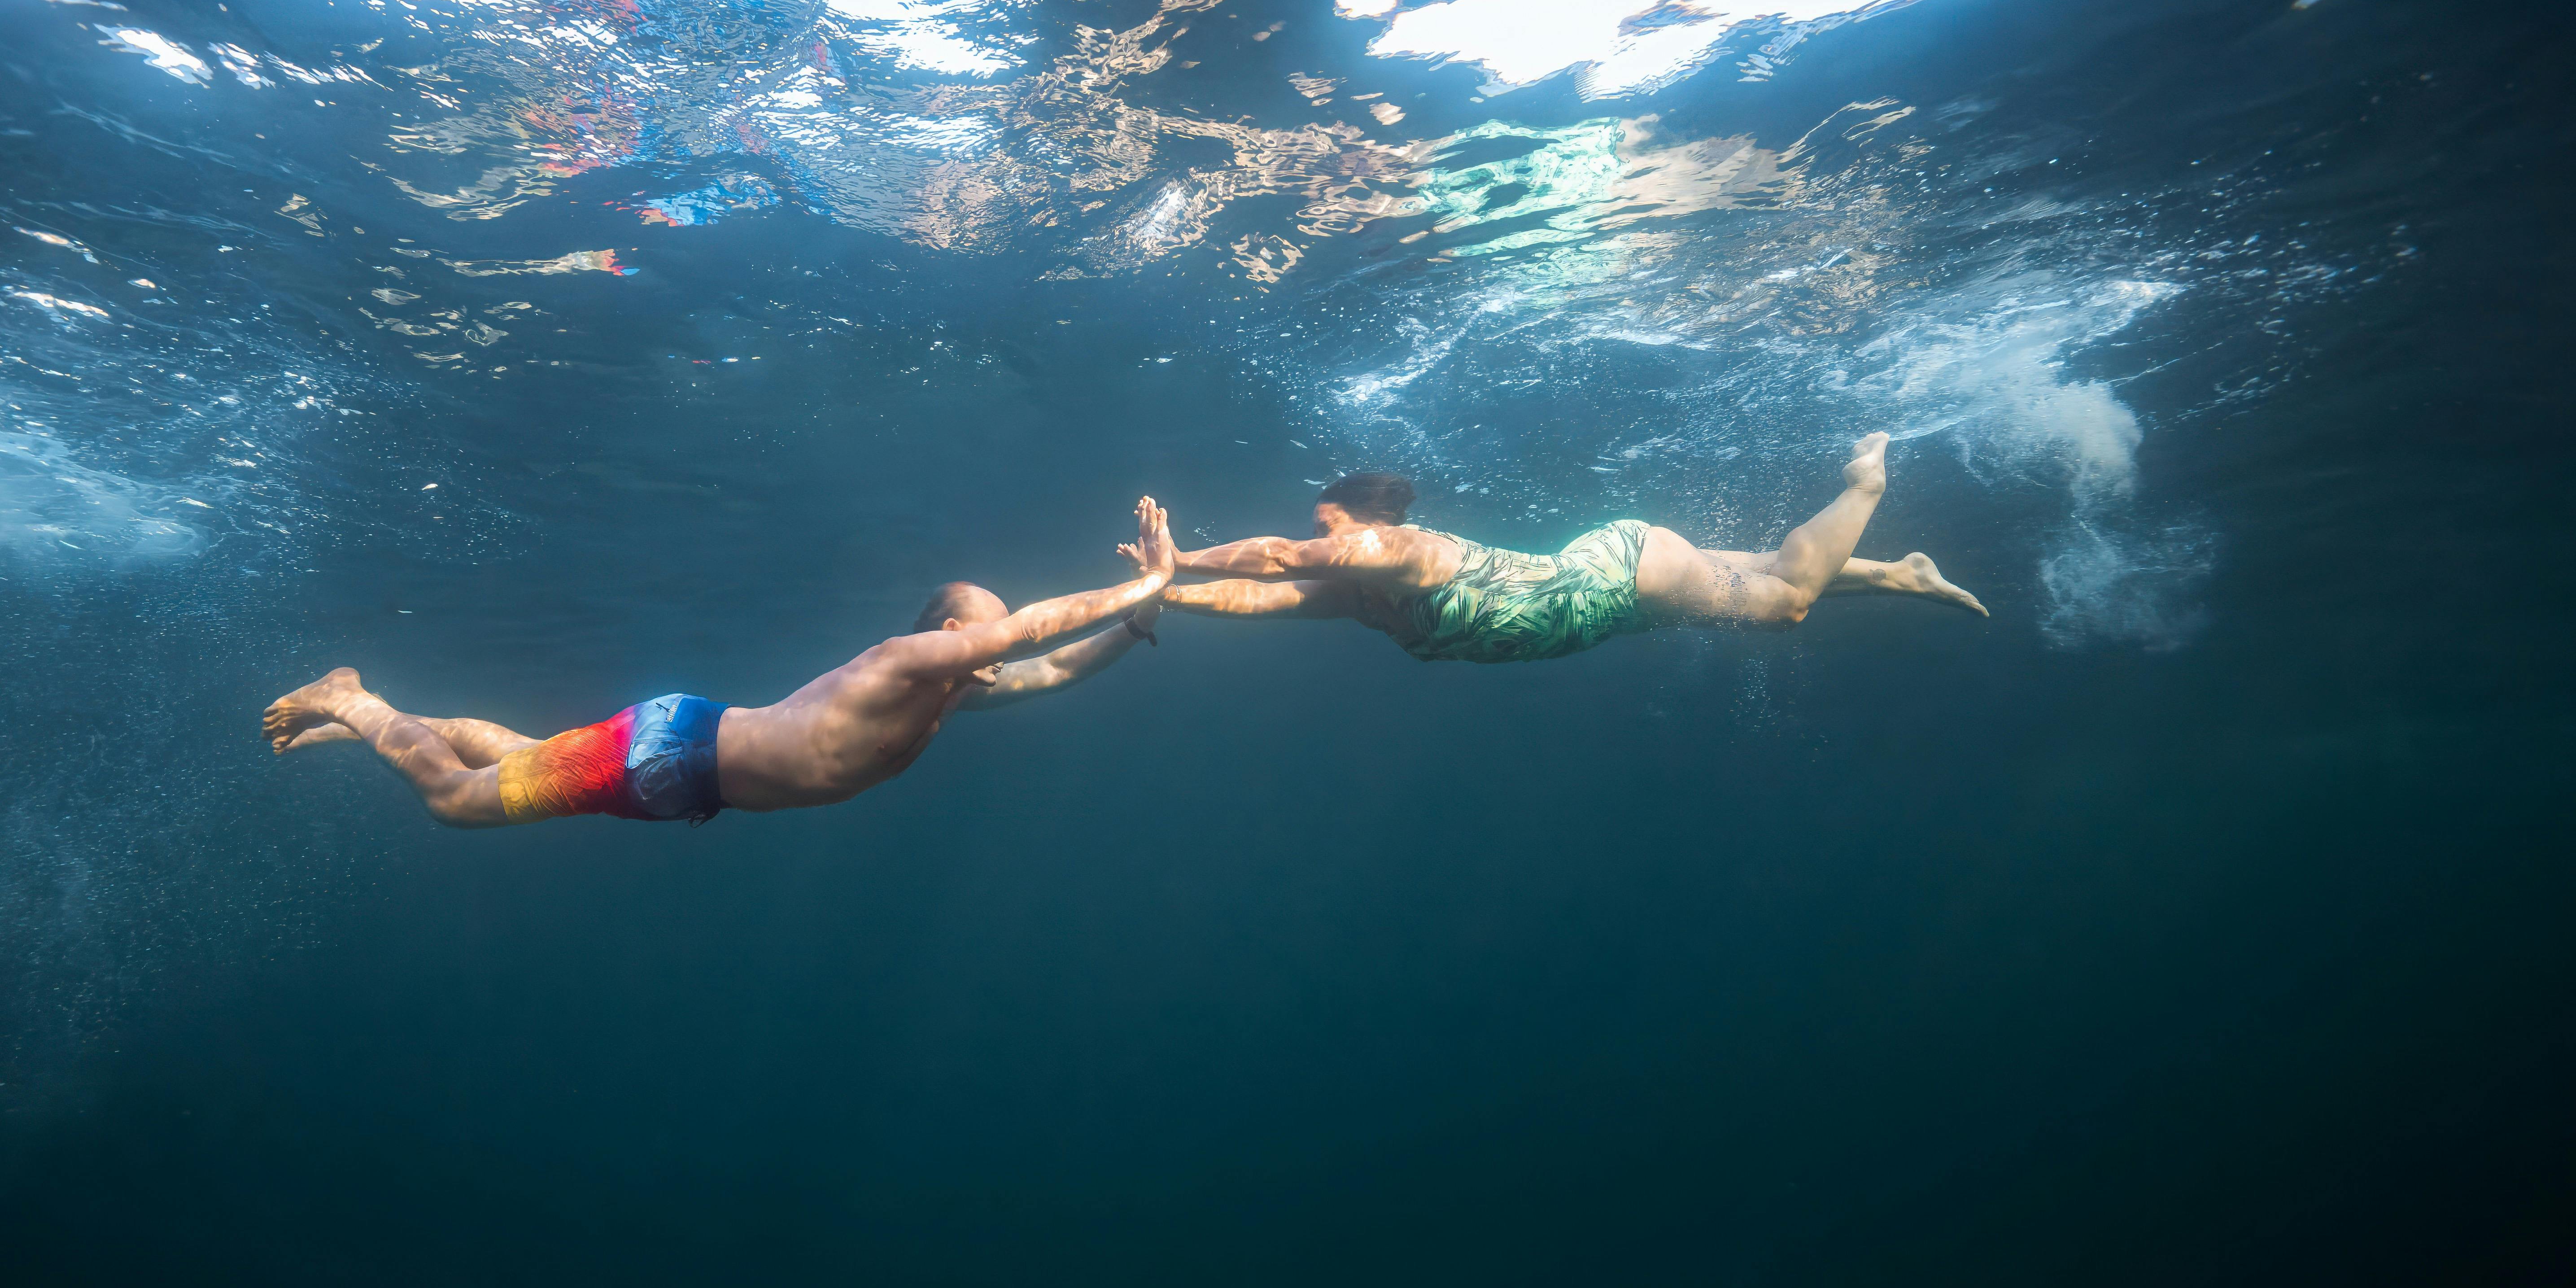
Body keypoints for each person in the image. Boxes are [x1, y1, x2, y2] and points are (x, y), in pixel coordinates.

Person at [261, 498, 1178, 826]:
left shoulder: (948, 693)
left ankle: (369, 728)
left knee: (515, 756)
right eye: (979, 636)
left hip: (678, 759)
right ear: (943, 633)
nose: (992, 654)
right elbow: (1029, 633)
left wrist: (1138, 628)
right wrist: (1150, 581)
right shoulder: (904, 663)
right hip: (672, 756)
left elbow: (1050, 669)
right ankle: (356, 702)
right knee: (456, 804)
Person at [1151, 434, 1984, 664]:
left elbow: (1278, 560)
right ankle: (1899, 572)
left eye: (1327, 525)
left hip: (1624, 572)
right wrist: (1159, 597)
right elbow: (1261, 598)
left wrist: (1182, 558)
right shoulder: (1363, 596)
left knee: (1784, 606)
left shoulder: (1403, 551)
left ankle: (1863, 483)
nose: (1322, 543)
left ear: (1361, 522)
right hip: (1611, 607)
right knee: (1754, 577)